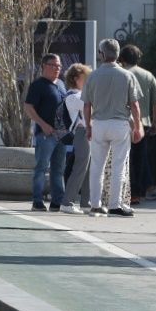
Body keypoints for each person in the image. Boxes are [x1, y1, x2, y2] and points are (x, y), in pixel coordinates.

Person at [80, 38, 143, 217]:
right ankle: (115, 204)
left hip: (98, 123)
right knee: (118, 166)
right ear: (117, 55)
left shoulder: (92, 76)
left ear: (102, 54)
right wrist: (137, 127)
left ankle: (95, 203)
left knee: (97, 166)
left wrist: (88, 126)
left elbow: (86, 105)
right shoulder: (127, 75)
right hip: (120, 124)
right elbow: (135, 104)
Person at [118, 44, 156, 204]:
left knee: (122, 159)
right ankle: (135, 194)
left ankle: (119, 192)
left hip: (121, 122)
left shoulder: (120, 74)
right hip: (142, 124)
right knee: (138, 160)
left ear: (121, 59)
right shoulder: (148, 75)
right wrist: (155, 122)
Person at [23, 53, 67, 212]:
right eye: (53, 65)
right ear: (44, 66)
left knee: (59, 169)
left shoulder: (62, 84)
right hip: (45, 134)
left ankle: (57, 201)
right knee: (41, 167)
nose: (57, 69)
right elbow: (28, 107)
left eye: (59, 66)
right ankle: (37, 201)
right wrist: (43, 124)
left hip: (62, 135)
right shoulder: (38, 85)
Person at [58, 63, 92, 214]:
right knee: (80, 168)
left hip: (86, 133)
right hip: (81, 133)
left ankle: (86, 202)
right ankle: (67, 202)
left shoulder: (77, 95)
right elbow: (91, 107)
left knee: (88, 169)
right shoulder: (73, 96)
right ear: (76, 78)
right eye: (86, 78)